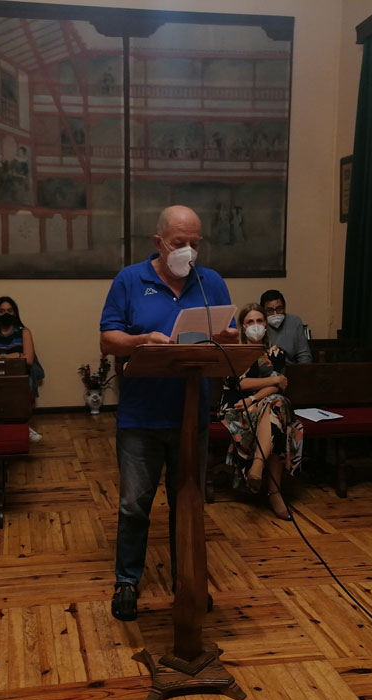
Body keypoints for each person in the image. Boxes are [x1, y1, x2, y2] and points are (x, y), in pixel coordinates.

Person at [100, 204, 238, 621]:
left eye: (195, 243)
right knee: (134, 505)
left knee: (188, 503)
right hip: (141, 416)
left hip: (191, 415)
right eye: (180, 243)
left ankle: (188, 579)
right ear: (159, 242)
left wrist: (229, 338)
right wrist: (142, 341)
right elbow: (108, 339)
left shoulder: (211, 282)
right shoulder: (129, 279)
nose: (188, 251)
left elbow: (229, 339)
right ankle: (127, 581)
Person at [219, 304, 303, 520]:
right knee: (278, 415)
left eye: (259, 321)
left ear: (266, 325)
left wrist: (254, 398)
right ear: (242, 326)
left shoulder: (276, 353)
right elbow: (239, 383)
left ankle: (258, 465)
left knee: (276, 405)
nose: (255, 325)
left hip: (261, 404)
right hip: (237, 409)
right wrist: (273, 380)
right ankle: (275, 493)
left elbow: (278, 387)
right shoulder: (233, 354)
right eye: (250, 322)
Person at [0, 295, 44, 443]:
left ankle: (23, 428)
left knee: (18, 386)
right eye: (2, 311)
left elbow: (28, 359)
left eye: (10, 311)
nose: (6, 314)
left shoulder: (24, 332)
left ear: (15, 313)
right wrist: (16, 355)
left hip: (20, 374)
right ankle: (11, 429)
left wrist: (0, 357)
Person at [259, 289, 312, 364]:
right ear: (263, 310)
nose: (275, 314)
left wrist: (303, 370)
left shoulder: (294, 322)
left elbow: (304, 355)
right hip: (266, 368)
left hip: (290, 368)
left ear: (284, 307)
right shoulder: (258, 323)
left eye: (279, 309)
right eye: (270, 310)